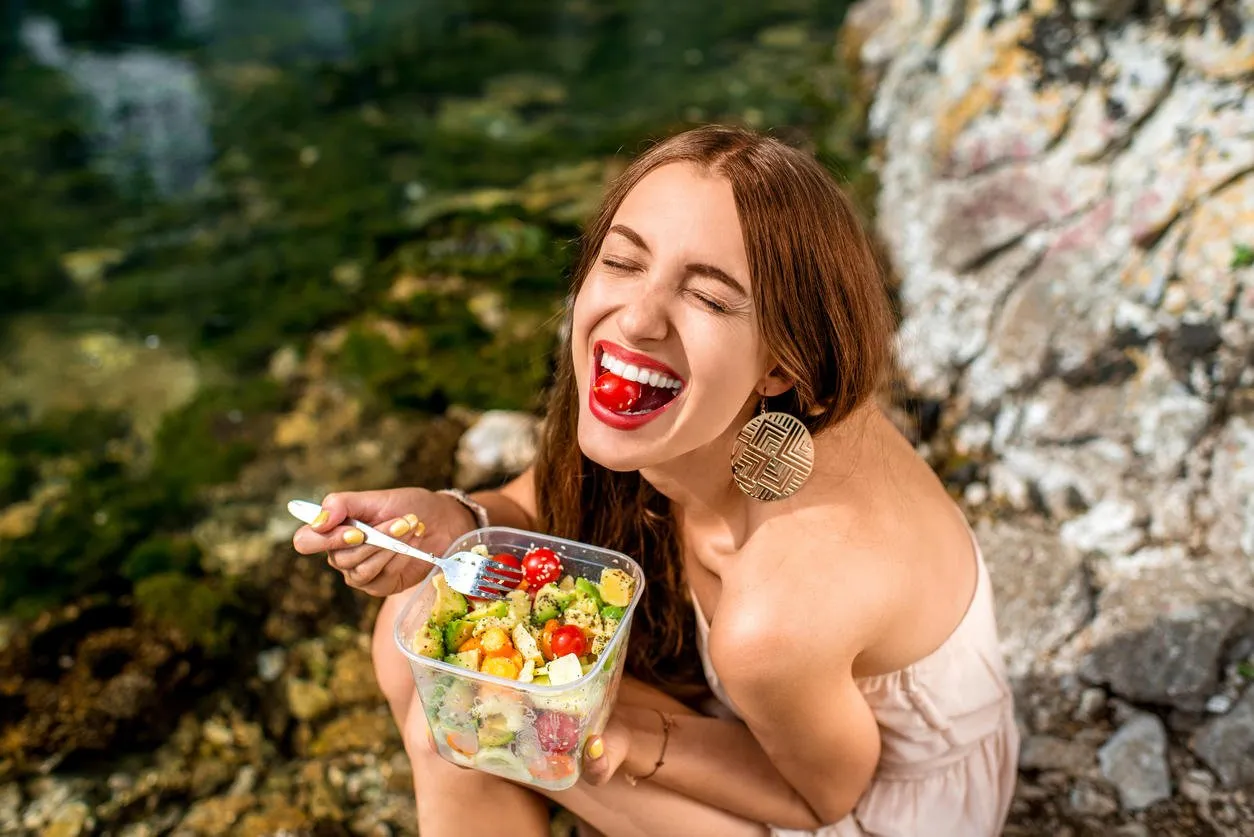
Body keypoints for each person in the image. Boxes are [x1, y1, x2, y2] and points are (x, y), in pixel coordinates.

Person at [293, 125, 1019, 837]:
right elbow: (538, 501)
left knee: (463, 712)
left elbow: (822, 796)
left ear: (781, 364)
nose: (637, 318)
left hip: (871, 807)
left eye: (707, 297)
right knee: (418, 632)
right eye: (622, 261)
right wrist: (458, 519)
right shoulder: (736, 416)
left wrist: (632, 735)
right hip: (782, 725)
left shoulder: (780, 604)